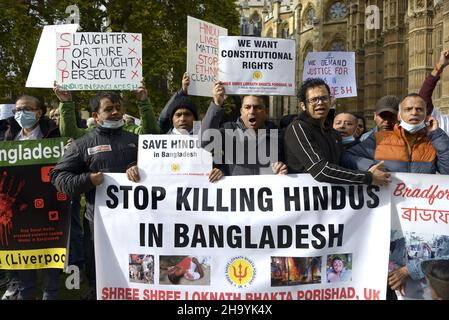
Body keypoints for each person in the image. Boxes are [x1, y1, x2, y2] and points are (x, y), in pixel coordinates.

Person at [50, 91, 142, 300]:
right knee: (100, 276)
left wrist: (137, 167)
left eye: (119, 107)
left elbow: (157, 173)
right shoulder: (83, 144)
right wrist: (87, 180)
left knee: (136, 271)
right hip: (98, 227)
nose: (116, 112)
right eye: (109, 109)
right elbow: (57, 177)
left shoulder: (137, 141)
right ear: (96, 115)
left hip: (135, 224)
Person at [2, 95, 60, 300]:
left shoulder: (54, 135)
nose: (21, 114)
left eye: (26, 109)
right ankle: (25, 292)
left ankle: (50, 294)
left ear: (39, 112)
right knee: (23, 252)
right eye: (17, 110)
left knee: (49, 253)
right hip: (20, 210)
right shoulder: (8, 138)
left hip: (50, 207)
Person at [284, 78, 391, 186]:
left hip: (333, 199)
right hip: (306, 199)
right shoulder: (298, 128)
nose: (320, 103)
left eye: (324, 98)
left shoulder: (332, 133)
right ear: (303, 105)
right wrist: (368, 177)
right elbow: (321, 171)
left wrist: (370, 168)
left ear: (331, 101)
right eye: (314, 100)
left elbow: (343, 161)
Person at [127, 73, 224, 183]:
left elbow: (220, 165)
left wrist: (220, 170)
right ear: (172, 119)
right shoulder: (159, 140)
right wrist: (133, 167)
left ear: (195, 119)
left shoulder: (207, 142)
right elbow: (163, 117)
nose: (182, 119)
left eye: (187, 114)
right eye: (178, 115)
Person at [342, 93, 449, 174]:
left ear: (426, 115)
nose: (414, 112)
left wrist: (436, 134)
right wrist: (370, 167)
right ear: (399, 115)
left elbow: (446, 171)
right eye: (408, 109)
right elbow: (347, 157)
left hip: (421, 202)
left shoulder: (434, 141)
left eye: (419, 109)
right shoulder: (379, 139)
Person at [200, 81, 288, 176]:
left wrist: (283, 168)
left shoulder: (278, 134)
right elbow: (205, 142)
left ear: (266, 111)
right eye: (247, 107)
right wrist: (216, 105)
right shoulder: (229, 130)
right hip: (237, 190)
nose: (252, 111)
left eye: (257, 107)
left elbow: (288, 164)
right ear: (241, 111)